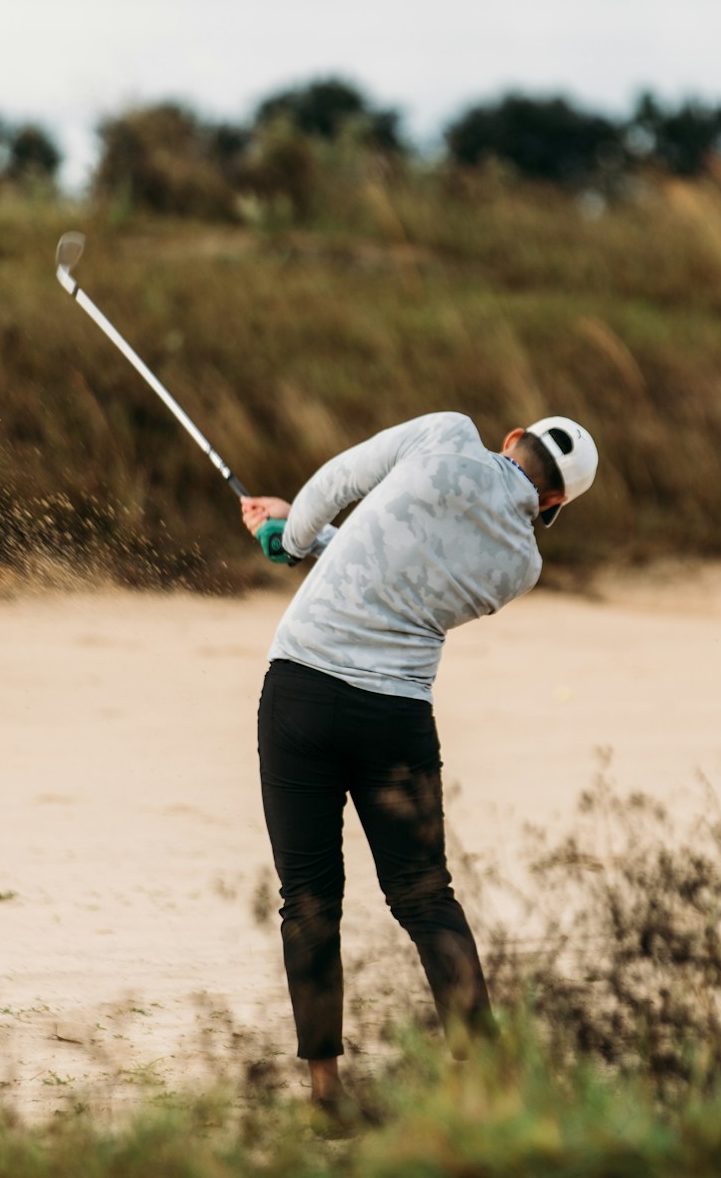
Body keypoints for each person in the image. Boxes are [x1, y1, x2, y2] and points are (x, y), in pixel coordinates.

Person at [238, 410, 598, 1126]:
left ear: (511, 435)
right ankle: (486, 1080)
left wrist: (289, 536)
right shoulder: (521, 566)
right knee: (427, 897)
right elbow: (405, 572)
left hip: (301, 692)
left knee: (309, 897)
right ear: (554, 504)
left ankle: (324, 1095)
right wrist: (303, 538)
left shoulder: (444, 434)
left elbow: (340, 481)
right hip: (393, 719)